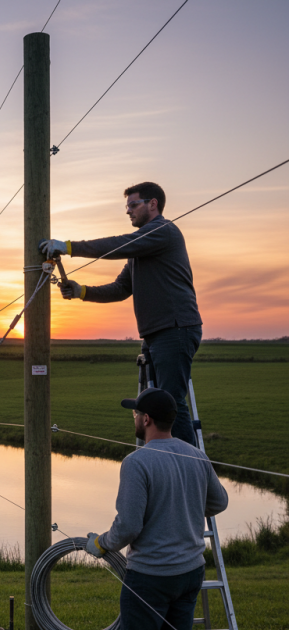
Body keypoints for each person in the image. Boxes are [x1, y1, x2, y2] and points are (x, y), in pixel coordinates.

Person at [85, 388, 228, 630]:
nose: (133, 418)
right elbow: (220, 502)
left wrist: (101, 544)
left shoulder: (137, 462)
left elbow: (128, 526)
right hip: (189, 573)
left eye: (136, 414)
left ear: (146, 420)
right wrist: (186, 506)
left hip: (149, 578)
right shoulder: (196, 455)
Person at [39, 181, 203, 445]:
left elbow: (118, 245)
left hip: (175, 329)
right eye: (126, 207)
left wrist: (68, 247)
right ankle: (163, 463)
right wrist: (82, 291)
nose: (128, 211)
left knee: (170, 405)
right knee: (155, 405)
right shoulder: (141, 250)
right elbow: (121, 288)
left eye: (133, 205)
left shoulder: (163, 231)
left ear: (153, 204)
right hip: (155, 333)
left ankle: (189, 471)